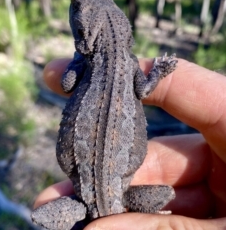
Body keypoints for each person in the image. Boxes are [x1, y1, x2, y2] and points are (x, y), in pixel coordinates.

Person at [33, 58, 226, 229]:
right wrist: (158, 71)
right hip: (113, 199)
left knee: (41, 213)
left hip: (87, 203)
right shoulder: (129, 63)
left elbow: (67, 83)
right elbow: (143, 89)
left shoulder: (88, 63)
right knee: (168, 193)